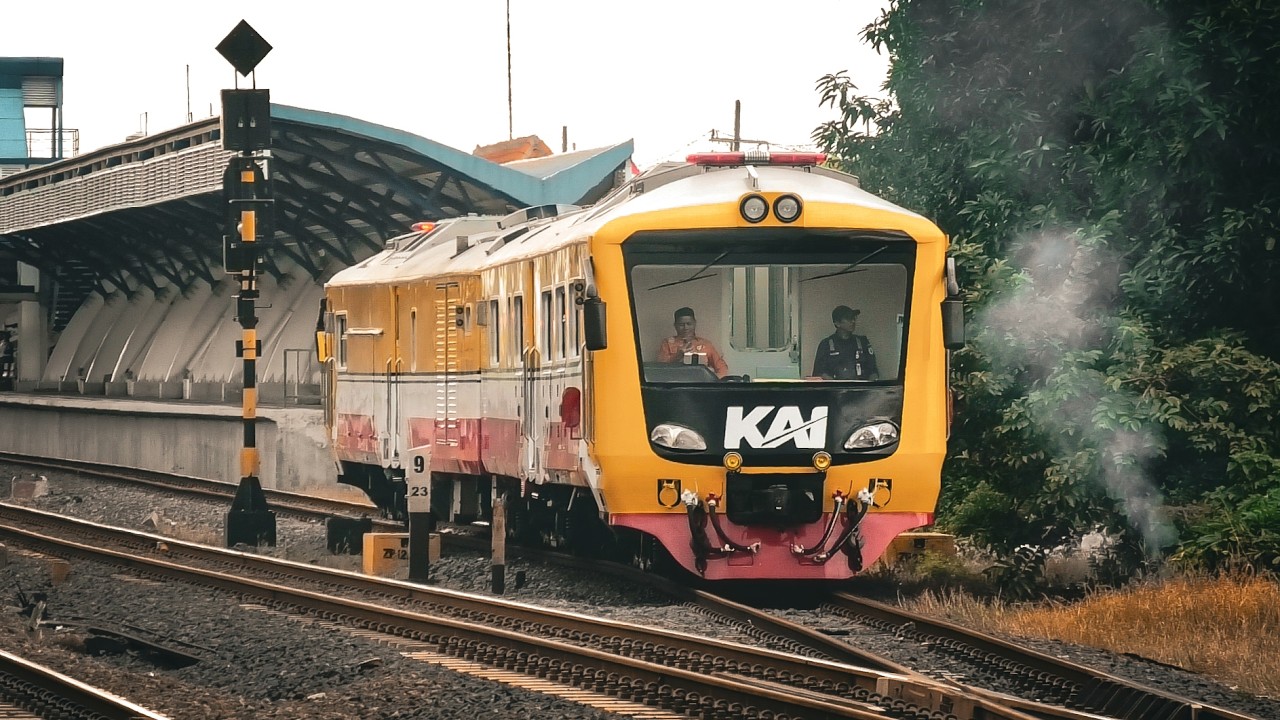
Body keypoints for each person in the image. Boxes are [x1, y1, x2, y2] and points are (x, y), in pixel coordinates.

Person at [656, 307, 728, 377]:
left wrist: (714, 381)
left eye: (689, 324)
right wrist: (678, 356)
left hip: (700, 384)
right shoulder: (667, 343)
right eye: (681, 325)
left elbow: (721, 367)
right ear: (675, 325)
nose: (685, 327)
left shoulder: (705, 344)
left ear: (694, 323)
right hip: (676, 384)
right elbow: (660, 368)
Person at [813, 305, 878, 380]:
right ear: (837, 323)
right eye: (848, 318)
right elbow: (819, 373)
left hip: (861, 389)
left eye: (854, 318)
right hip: (834, 390)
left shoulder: (862, 342)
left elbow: (873, 371)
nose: (853, 321)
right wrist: (836, 385)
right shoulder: (826, 345)